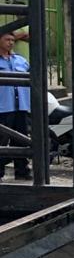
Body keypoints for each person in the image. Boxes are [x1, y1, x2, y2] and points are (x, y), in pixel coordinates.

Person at [0, 31, 31, 180]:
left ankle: (22, 170)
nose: (11, 42)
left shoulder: (20, 60)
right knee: (1, 141)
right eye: (7, 39)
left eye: (12, 40)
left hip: (21, 107)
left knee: (21, 139)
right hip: (3, 107)